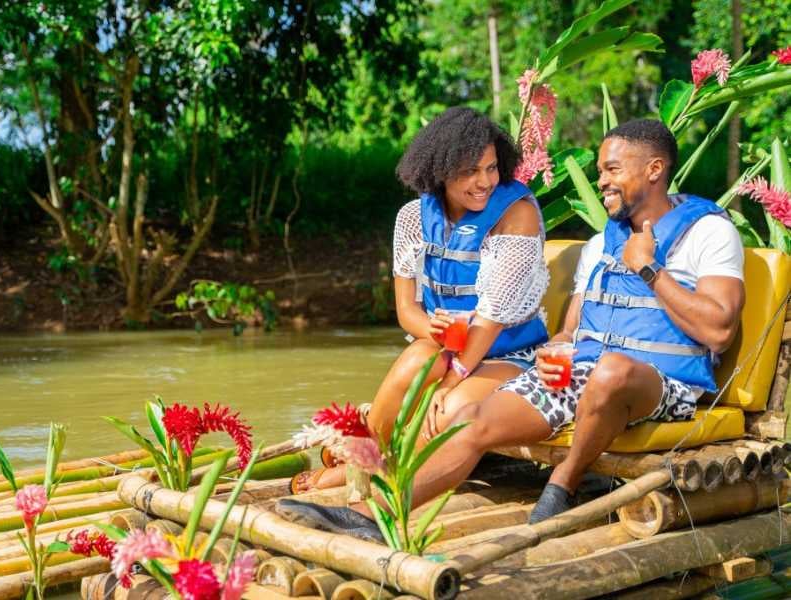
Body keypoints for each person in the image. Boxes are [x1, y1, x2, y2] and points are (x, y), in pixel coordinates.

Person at [277, 118, 745, 540]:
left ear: (654, 169)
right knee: (469, 418)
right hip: (585, 374)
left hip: (664, 384)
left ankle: (562, 485)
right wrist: (557, 348)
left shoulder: (708, 233)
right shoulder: (603, 242)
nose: (600, 180)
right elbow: (571, 330)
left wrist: (648, 268)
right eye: (601, 170)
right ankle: (372, 514)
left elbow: (720, 330)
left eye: (611, 170)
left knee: (613, 371)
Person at [289, 106, 550, 494]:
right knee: (415, 359)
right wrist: (433, 328)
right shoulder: (413, 216)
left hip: (511, 356)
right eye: (469, 172)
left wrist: (450, 380)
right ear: (440, 170)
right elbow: (406, 310)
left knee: (447, 410)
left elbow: (492, 317)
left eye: (492, 168)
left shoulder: (518, 215)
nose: (484, 182)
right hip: (450, 347)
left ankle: (356, 471)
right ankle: (364, 453)